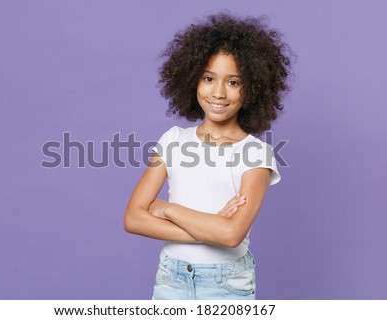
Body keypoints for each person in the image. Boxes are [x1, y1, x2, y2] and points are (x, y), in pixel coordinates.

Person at [124, 12, 292, 300]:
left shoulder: (255, 154)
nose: (218, 92)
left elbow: (230, 235)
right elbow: (133, 219)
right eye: (208, 78)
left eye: (234, 82)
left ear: (252, 88)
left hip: (225, 283)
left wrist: (167, 210)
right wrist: (210, 226)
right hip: (171, 278)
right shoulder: (173, 140)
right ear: (192, 79)